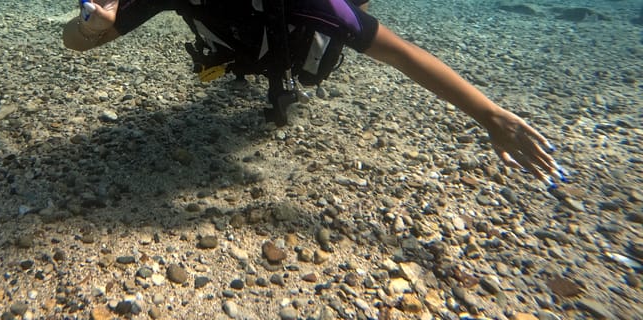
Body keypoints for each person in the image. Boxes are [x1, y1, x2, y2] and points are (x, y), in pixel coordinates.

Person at [62, 0, 567, 187]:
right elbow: (76, 41)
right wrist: (91, 23)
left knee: (345, 15)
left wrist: (489, 114)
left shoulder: (319, 6)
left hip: (295, 46)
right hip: (234, 57)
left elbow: (402, 54)